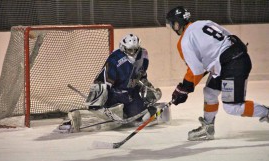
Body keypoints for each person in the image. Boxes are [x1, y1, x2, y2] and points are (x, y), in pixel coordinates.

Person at [166, 6, 269, 141]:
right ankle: (208, 127)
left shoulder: (184, 41)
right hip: (230, 59)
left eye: (172, 24)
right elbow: (228, 37)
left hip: (232, 64)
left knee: (232, 107)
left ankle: (267, 112)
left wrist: (183, 89)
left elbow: (196, 71)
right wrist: (186, 88)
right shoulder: (203, 23)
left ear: (177, 23)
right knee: (209, 92)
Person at [59, 34, 166, 133]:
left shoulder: (143, 56)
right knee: (107, 107)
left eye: (135, 50)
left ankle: (127, 111)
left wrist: (148, 88)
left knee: (143, 115)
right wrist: (95, 105)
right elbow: (102, 81)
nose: (133, 53)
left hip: (131, 94)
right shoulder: (115, 59)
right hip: (115, 95)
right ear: (123, 48)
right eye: (130, 50)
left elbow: (141, 76)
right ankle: (84, 117)